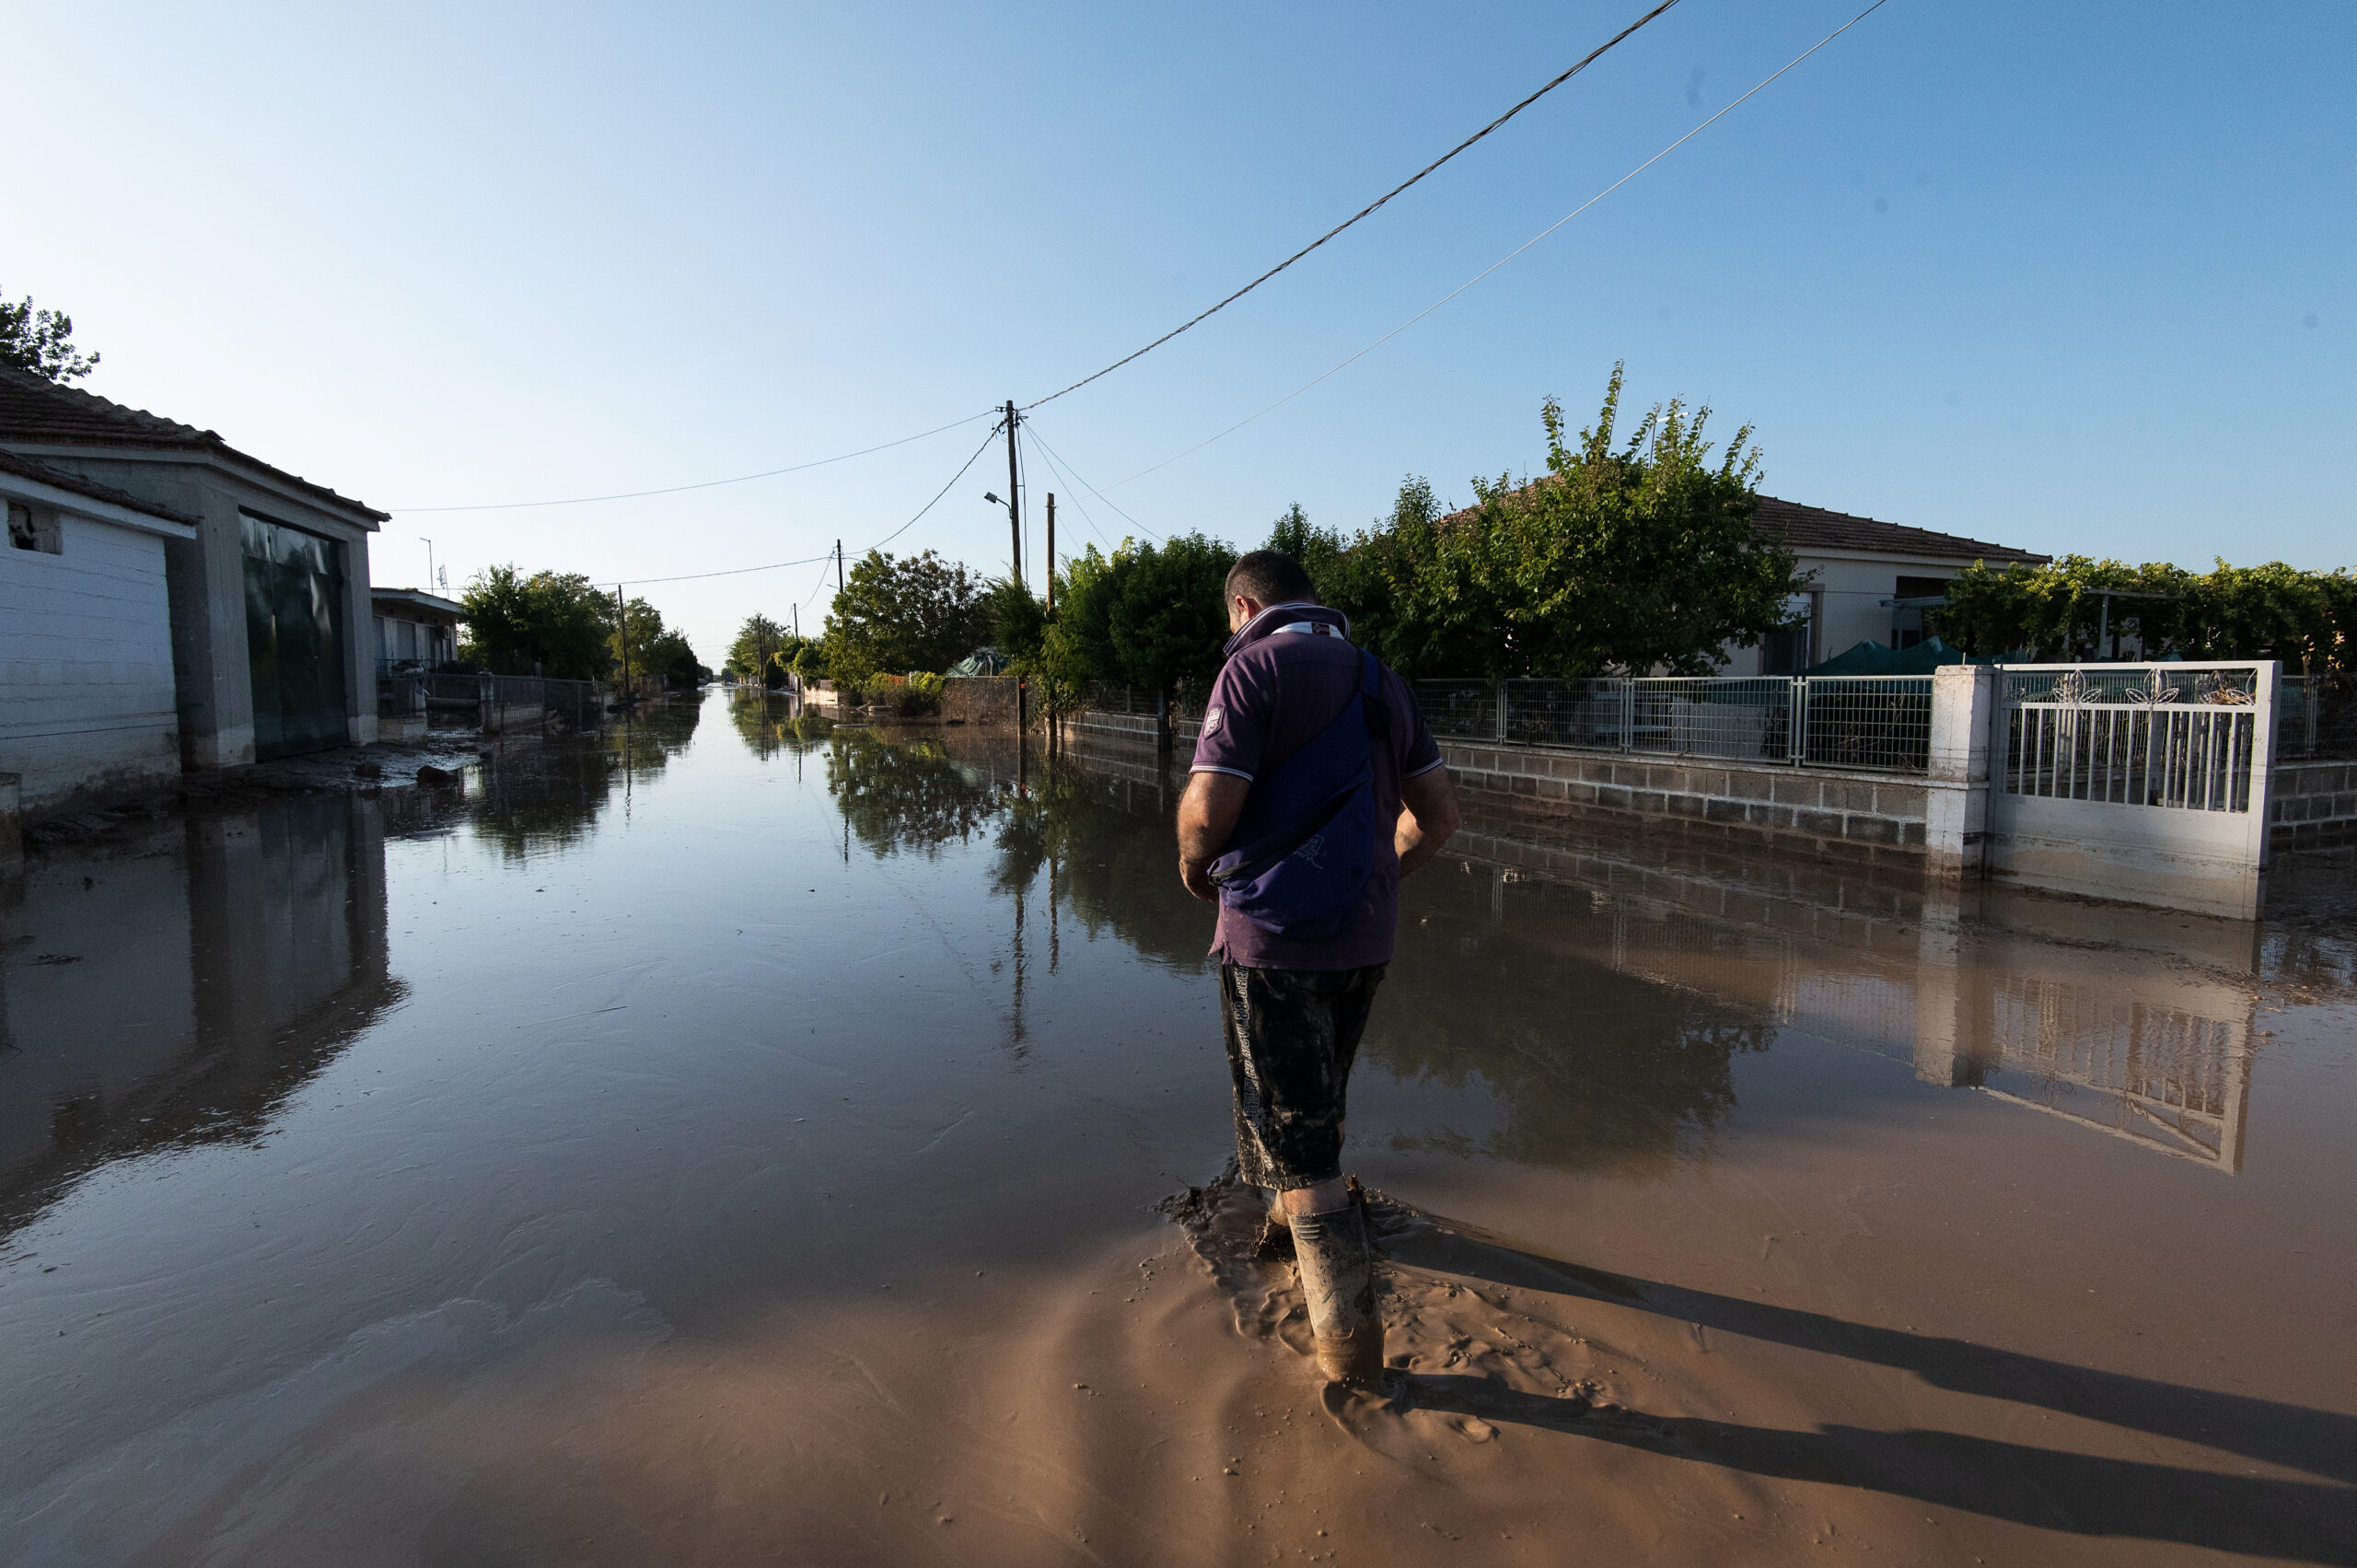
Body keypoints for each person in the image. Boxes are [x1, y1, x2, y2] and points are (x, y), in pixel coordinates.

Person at [1176, 549, 1460, 1386]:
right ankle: (1280, 1228)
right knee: (1315, 1097)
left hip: (1270, 943)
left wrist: (1196, 873)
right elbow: (1438, 819)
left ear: (1242, 606)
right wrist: (1376, 877)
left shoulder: (1250, 670)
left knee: (1302, 1148)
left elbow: (1206, 816)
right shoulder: (1382, 680)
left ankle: (1351, 1357)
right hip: (1364, 942)